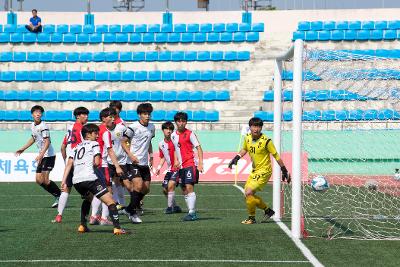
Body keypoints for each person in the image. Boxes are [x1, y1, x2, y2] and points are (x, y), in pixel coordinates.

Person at [61, 123, 128, 235]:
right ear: (88, 134)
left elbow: (69, 165)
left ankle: (82, 226)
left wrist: (63, 181)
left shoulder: (75, 147)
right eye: (95, 133)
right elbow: (97, 163)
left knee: (88, 199)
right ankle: (117, 228)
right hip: (89, 178)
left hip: (76, 181)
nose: (98, 136)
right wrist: (90, 165)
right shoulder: (94, 144)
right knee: (110, 201)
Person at [228, 117, 291, 224]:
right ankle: (266, 211)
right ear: (250, 127)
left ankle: (254, 217)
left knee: (248, 192)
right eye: (253, 126)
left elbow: (276, 156)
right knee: (248, 195)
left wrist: (284, 170)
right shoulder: (247, 138)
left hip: (264, 171)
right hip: (255, 171)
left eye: (258, 127)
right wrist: (236, 158)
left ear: (261, 128)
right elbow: (244, 149)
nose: (256, 129)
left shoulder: (266, 141)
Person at [15, 105, 61, 208]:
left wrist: (40, 155)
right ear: (32, 114)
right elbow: (33, 138)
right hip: (42, 155)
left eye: (40, 112)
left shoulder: (43, 126)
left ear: (41, 114)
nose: (38, 114)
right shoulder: (33, 125)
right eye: (36, 112)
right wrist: (23, 148)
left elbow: (47, 142)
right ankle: (58, 196)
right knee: (38, 180)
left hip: (48, 155)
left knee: (45, 179)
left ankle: (60, 197)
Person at [53, 107, 89, 223]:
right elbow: (85, 146)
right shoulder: (82, 129)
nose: (86, 117)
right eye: (84, 115)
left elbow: (62, 147)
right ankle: (95, 216)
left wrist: (66, 161)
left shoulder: (69, 128)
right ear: (78, 116)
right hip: (80, 163)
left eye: (87, 115)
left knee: (66, 190)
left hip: (70, 162)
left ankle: (59, 215)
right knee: (92, 191)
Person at [89, 108, 124, 226]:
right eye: (110, 116)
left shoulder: (94, 130)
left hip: (93, 164)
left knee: (97, 190)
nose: (112, 118)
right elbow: (110, 150)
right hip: (103, 165)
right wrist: (117, 166)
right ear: (104, 118)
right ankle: (103, 218)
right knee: (107, 191)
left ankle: (93, 216)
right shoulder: (105, 132)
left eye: (113, 116)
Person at [121, 103, 155, 224]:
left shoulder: (152, 127)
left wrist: (151, 155)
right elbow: (123, 142)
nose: (147, 116)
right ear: (139, 115)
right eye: (145, 114)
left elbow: (149, 142)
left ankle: (129, 209)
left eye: (149, 114)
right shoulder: (133, 127)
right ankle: (133, 212)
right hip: (132, 162)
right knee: (138, 185)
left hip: (144, 162)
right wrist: (131, 155)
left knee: (146, 189)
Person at [171, 112, 204, 221]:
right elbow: (175, 149)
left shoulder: (190, 134)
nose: (181, 123)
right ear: (176, 122)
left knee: (189, 187)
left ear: (186, 122)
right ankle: (190, 211)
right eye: (179, 121)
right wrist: (175, 160)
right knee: (183, 189)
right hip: (180, 166)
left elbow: (199, 148)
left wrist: (200, 163)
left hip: (190, 164)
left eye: (183, 121)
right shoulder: (173, 135)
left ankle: (192, 212)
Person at [155, 121, 182, 214]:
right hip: (170, 169)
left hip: (178, 168)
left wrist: (178, 161)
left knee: (170, 186)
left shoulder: (176, 141)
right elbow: (162, 157)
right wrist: (159, 167)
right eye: (166, 129)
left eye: (170, 129)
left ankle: (170, 207)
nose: (168, 131)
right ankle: (176, 206)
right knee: (165, 189)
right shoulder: (161, 144)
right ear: (162, 130)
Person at [109, 101, 126, 209]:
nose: (115, 110)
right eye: (113, 108)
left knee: (124, 182)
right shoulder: (107, 123)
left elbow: (126, 141)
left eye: (117, 108)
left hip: (121, 157)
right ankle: (116, 203)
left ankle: (134, 202)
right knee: (113, 181)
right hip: (110, 157)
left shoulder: (121, 124)